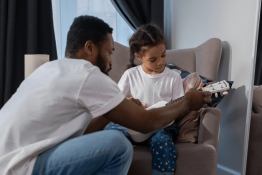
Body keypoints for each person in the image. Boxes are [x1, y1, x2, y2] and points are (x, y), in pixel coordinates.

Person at [0, 15, 212, 175]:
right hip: (22, 165)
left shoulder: (50, 69)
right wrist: (186, 103)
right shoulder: (86, 73)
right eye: (109, 52)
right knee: (117, 144)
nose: (112, 61)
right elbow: (145, 122)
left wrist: (111, 112)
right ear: (90, 48)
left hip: (9, 160)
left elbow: (82, 133)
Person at [105, 24, 183, 175]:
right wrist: (129, 101)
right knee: (110, 133)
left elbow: (179, 107)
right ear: (139, 57)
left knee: (163, 142)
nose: (160, 62)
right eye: (153, 59)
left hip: (161, 126)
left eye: (163, 55)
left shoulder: (174, 77)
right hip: (133, 125)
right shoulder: (130, 75)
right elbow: (116, 100)